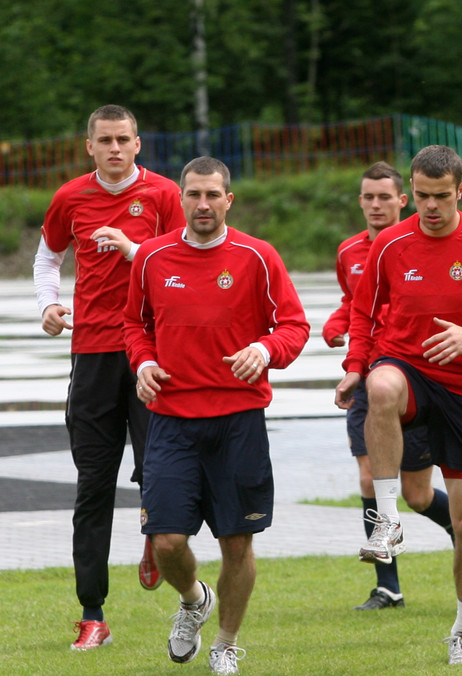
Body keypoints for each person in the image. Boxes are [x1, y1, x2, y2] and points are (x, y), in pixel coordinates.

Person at [334, 145, 462, 665]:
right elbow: (364, 309)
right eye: (421, 196)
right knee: (381, 388)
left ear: (460, 191)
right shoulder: (389, 245)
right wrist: (356, 365)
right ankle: (386, 519)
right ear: (412, 191)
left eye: (441, 197)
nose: (430, 207)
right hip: (408, 369)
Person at [125, 156, 309, 674]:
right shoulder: (152, 258)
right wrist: (144, 362)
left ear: (229, 199)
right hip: (172, 420)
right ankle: (192, 600)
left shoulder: (257, 256)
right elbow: (134, 325)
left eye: (212, 195)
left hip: (238, 420)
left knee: (236, 541)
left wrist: (265, 351)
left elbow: (293, 327)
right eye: (192, 195)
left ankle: (226, 643)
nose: (202, 204)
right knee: (165, 541)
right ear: (179, 199)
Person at [34, 104, 185, 650]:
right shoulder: (70, 197)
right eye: (106, 140)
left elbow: (184, 262)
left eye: (124, 139)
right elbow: (47, 259)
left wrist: (135, 250)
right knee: (92, 486)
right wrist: (48, 306)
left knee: (160, 474)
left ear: (138, 144)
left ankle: (153, 536)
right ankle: (92, 613)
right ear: (89, 146)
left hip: (151, 354)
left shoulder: (167, 195)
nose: (116, 148)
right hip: (93, 353)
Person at [323, 162, 456, 610]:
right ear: (360, 201)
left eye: (385, 197)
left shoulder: (416, 245)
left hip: (412, 379)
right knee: (367, 477)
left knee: (417, 494)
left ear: (404, 200)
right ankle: (388, 585)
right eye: (368, 197)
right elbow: (356, 303)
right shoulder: (348, 252)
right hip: (369, 376)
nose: (376, 205)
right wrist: (338, 325)